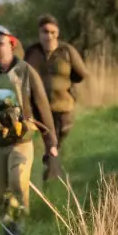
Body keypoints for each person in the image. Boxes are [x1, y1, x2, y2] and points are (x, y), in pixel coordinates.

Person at [0, 24, 59, 235]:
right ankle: (7, 226)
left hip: (21, 141)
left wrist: (50, 142)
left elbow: (43, 108)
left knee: (17, 181)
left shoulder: (26, 72)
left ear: (12, 44)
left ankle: (19, 222)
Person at [24, 13, 87, 180]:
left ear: (57, 33)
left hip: (63, 106)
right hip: (40, 108)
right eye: (45, 32)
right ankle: (52, 175)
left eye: (52, 32)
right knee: (50, 141)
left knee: (57, 139)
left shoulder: (67, 51)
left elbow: (81, 74)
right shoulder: (32, 52)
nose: (49, 36)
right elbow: (22, 75)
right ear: (39, 33)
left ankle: (51, 166)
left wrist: (64, 83)